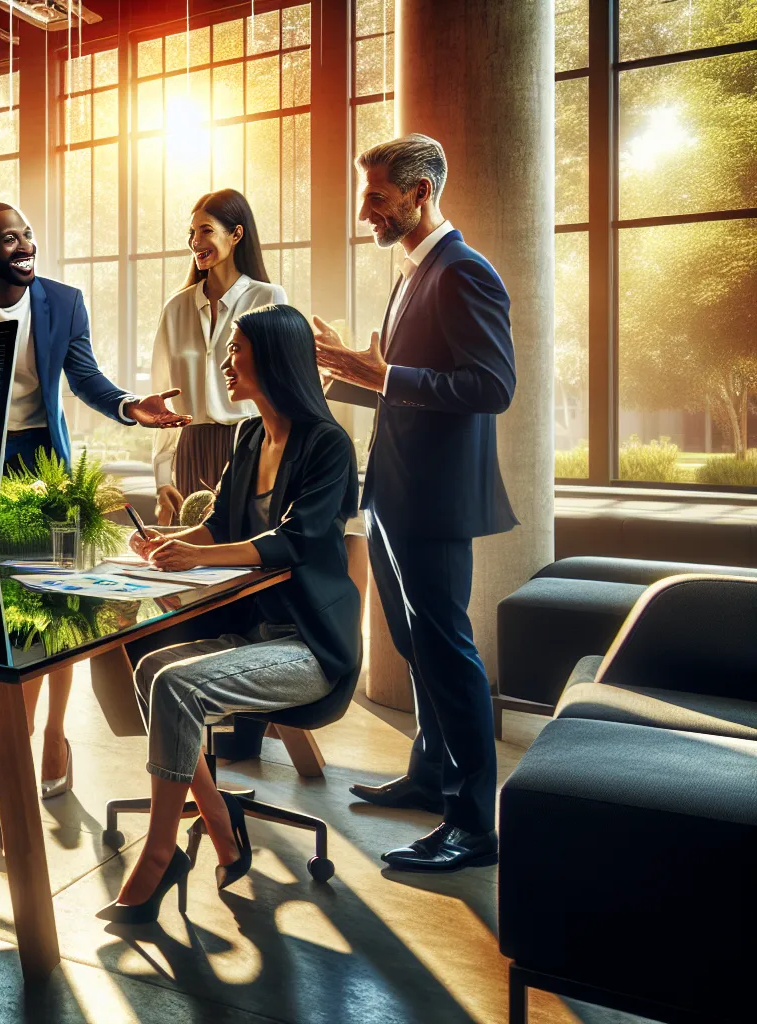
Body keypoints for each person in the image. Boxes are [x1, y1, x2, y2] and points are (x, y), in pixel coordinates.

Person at [104, 304, 361, 921]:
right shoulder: (248, 437)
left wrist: (197, 554)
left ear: (273, 358)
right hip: (250, 629)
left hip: (310, 647)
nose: (225, 360)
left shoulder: (327, 445)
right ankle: (219, 821)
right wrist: (171, 542)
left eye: (237, 349)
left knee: (171, 683)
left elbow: (296, 541)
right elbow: (219, 523)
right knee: (149, 671)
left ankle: (161, 854)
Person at [0, 202, 192, 800]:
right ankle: (2, 731)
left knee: (58, 603)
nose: (23, 246)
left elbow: (85, 378)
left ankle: (52, 734)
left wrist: (129, 406)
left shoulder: (64, 300)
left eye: (28, 234)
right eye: (7, 239)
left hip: (46, 465)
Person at [313, 133, 515, 873]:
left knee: (447, 649)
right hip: (395, 493)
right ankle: (431, 774)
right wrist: (348, 368)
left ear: (418, 193)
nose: (366, 212)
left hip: (433, 501)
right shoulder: (412, 272)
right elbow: (400, 384)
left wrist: (385, 373)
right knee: (412, 640)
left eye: (376, 199)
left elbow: (492, 387)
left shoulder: (464, 272)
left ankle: (472, 823)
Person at [151, 189, 289, 504]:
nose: (195, 241)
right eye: (191, 233)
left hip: (253, 444)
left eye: (206, 231)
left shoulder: (268, 298)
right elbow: (163, 399)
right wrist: (161, 479)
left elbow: (281, 390)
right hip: (192, 448)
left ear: (236, 234)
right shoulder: (176, 308)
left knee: (242, 547)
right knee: (195, 549)